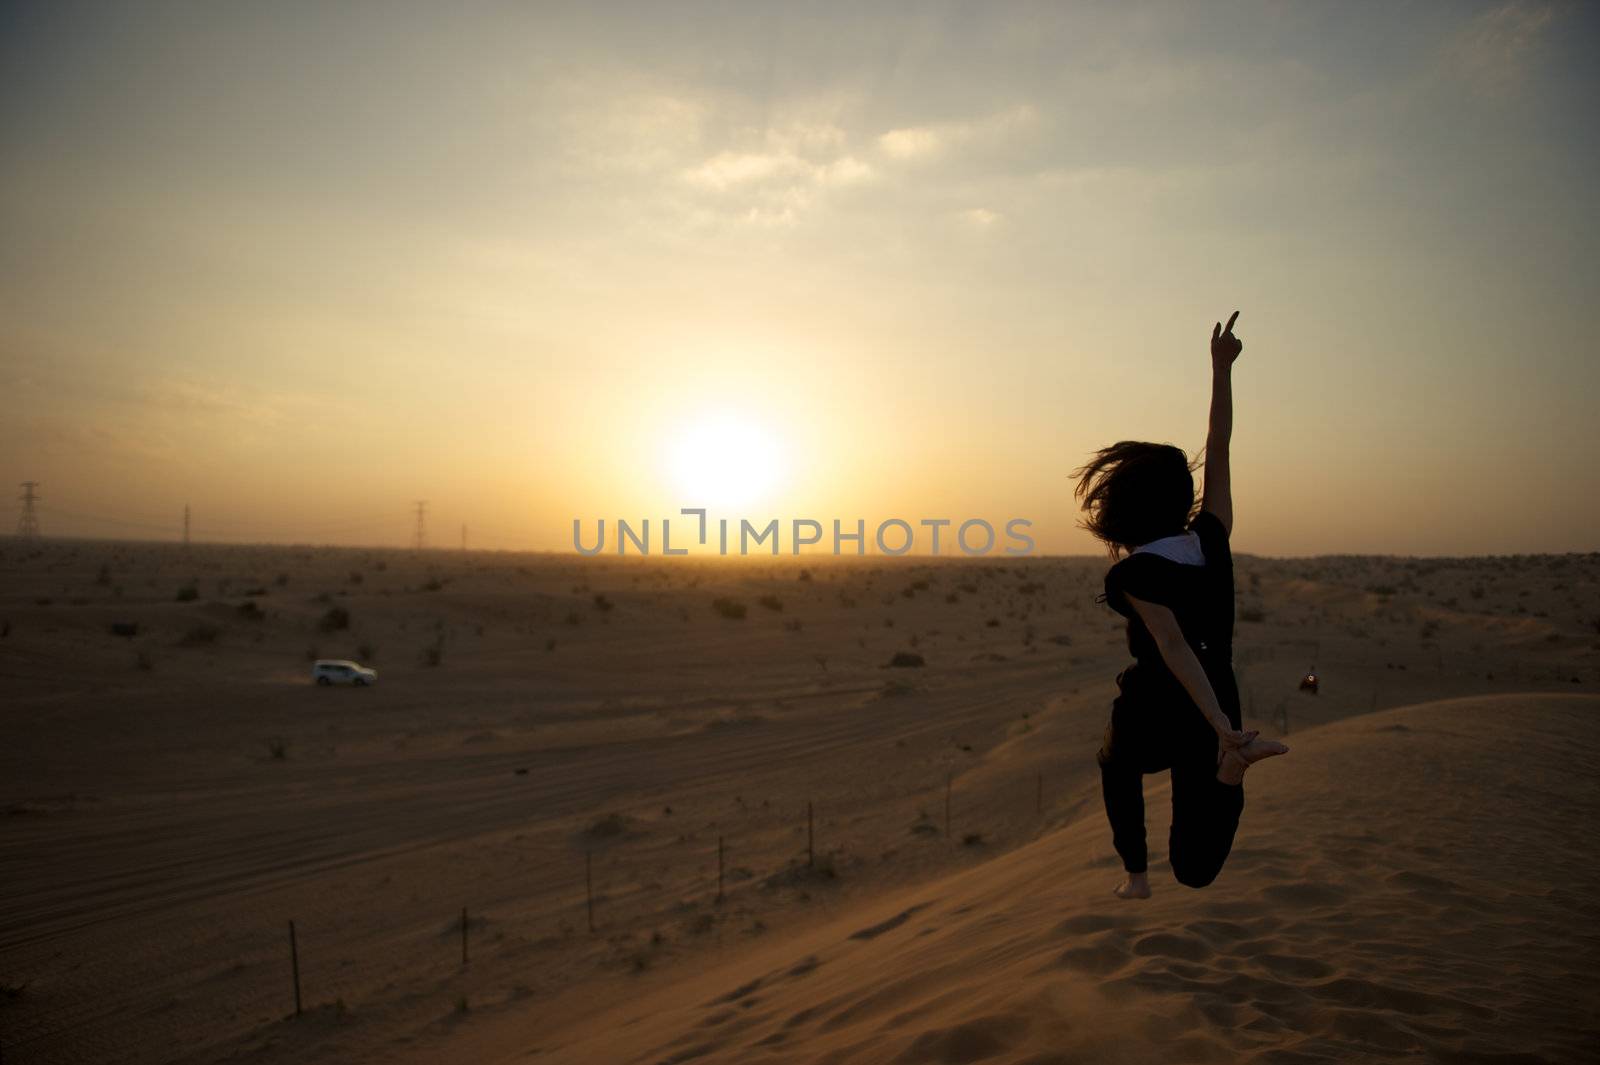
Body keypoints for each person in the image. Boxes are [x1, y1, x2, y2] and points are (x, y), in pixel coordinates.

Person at [1075, 311, 1288, 899]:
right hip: (1214, 699)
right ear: (1181, 499)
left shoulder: (1136, 572)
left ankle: (1136, 876)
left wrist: (1220, 724)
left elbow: (1170, 646)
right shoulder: (1212, 538)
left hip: (1155, 706)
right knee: (1196, 870)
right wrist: (1221, 370)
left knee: (1116, 765)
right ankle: (1231, 771)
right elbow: (1218, 445)